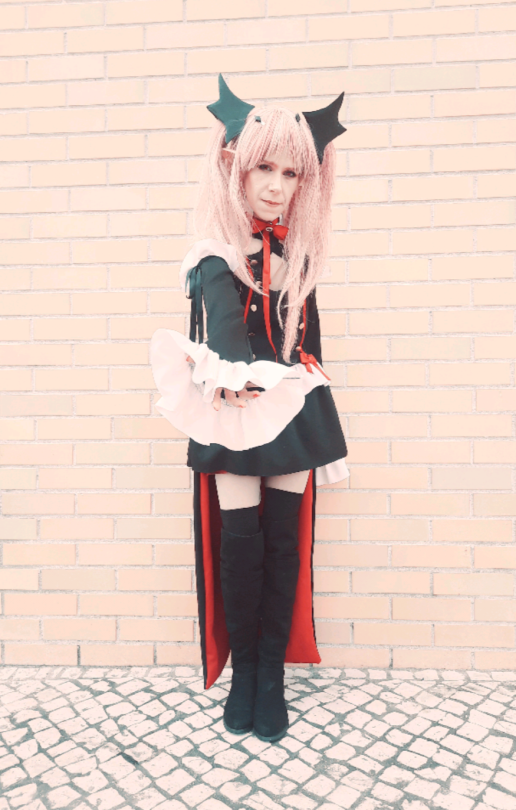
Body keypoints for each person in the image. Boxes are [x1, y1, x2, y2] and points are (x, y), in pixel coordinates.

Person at [150, 74, 349, 743]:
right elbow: (225, 326)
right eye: (265, 168)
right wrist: (232, 375)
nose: (275, 186)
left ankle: (271, 677)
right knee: (240, 546)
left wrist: (321, 411)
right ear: (236, 166)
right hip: (235, 411)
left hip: (291, 411)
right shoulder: (214, 254)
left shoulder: (301, 255)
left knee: (285, 545)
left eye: (290, 173)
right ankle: (243, 676)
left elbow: (309, 342)